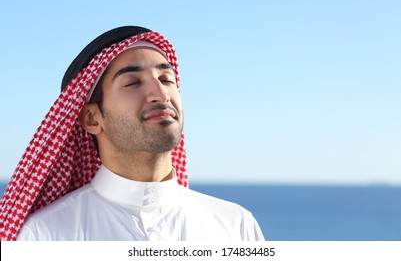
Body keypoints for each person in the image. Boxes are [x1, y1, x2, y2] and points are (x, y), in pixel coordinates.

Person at [0, 26, 264, 241]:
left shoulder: (235, 227)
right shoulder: (47, 236)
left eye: (166, 80)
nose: (161, 95)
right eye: (133, 82)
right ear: (92, 118)